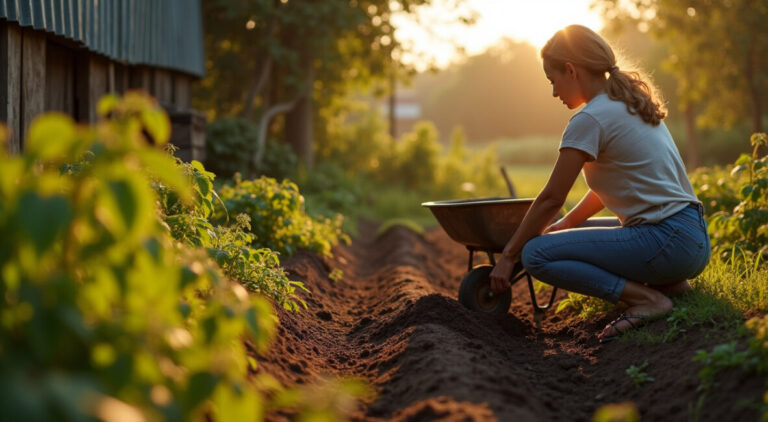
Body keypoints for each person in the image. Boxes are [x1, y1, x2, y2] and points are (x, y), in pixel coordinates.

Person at [488, 25, 710, 343]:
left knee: (535, 253)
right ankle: (669, 283)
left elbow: (551, 197)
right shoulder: (629, 104)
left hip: (666, 240)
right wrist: (566, 224)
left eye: (553, 81)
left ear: (571, 70)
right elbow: (608, 187)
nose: (554, 93)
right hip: (692, 237)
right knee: (571, 235)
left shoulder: (589, 120)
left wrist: (509, 256)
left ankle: (646, 300)